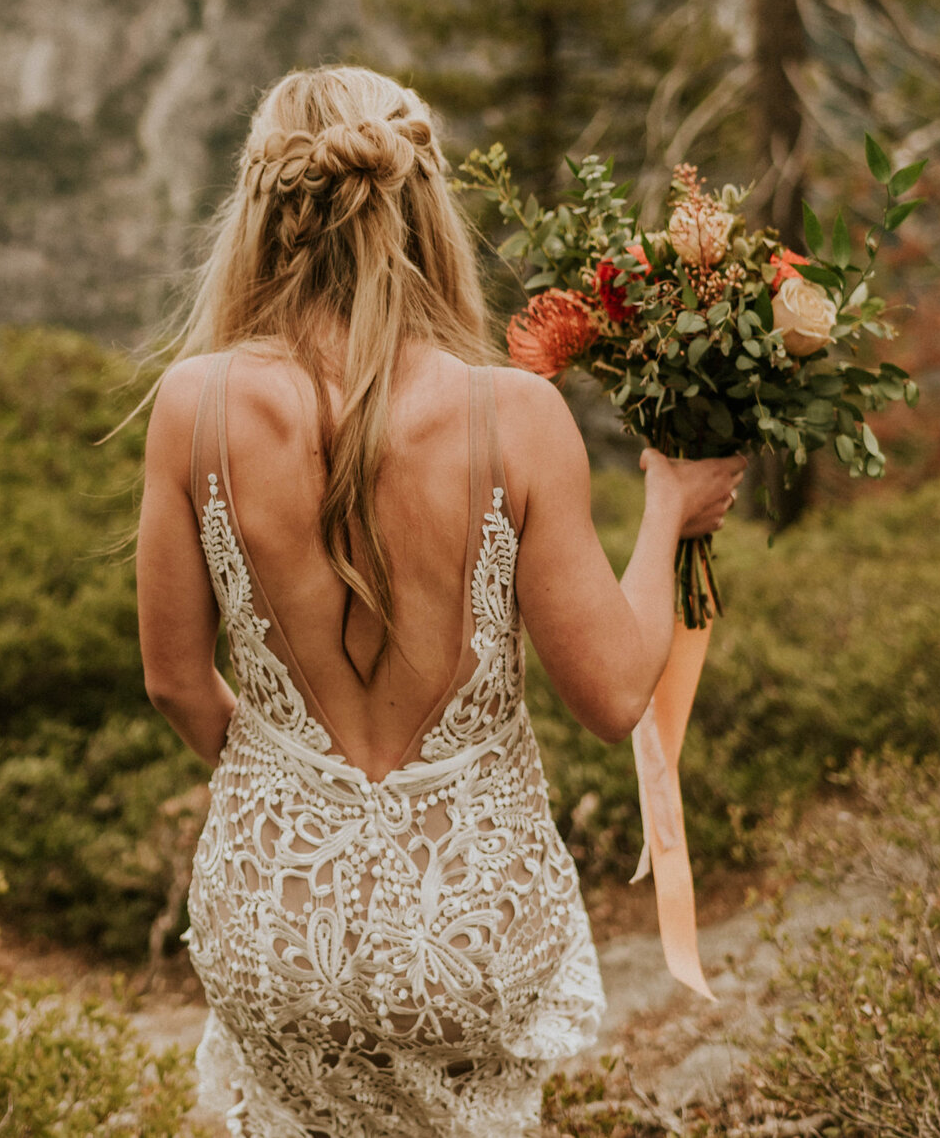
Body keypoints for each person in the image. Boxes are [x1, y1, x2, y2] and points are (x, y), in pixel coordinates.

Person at [135, 67, 745, 1138]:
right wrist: (669, 510)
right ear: (423, 204)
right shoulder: (513, 414)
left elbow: (176, 685)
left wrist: (296, 779)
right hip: (466, 915)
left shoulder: (196, 401)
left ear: (262, 210)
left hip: (273, 911)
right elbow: (611, 693)